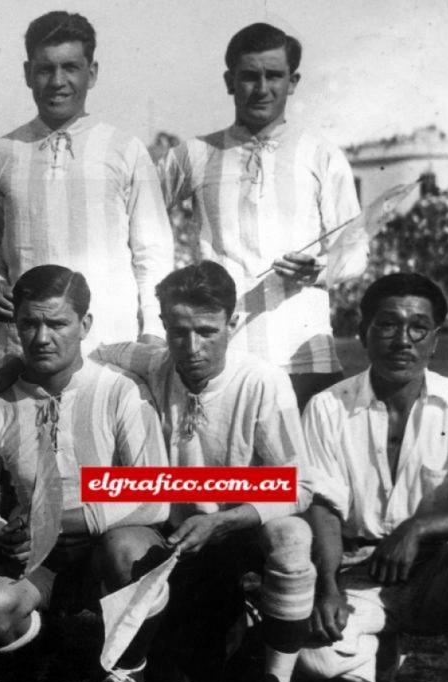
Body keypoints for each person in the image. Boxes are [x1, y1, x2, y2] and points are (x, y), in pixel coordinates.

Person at [89, 262, 316, 682]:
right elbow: (85, 353)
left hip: (234, 533)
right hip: (172, 537)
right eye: (178, 331)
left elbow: (300, 484)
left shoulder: (263, 381)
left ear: (232, 324)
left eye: (207, 332)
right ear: (164, 326)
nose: (191, 348)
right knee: (119, 544)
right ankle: (128, 674)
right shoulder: (155, 361)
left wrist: (224, 518)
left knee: (292, 537)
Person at [0, 265, 169, 682]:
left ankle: (127, 675)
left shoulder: (120, 390)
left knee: (132, 551)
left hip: (105, 547)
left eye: (57, 323)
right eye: (30, 323)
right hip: (41, 558)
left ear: (85, 325)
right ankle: (44, 664)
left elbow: (155, 491)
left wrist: (63, 519)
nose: (42, 337)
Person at [0, 11, 174, 356]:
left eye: (70, 67)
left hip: (109, 344)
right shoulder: (2, 153)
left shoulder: (125, 150)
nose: (57, 81)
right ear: (28, 74)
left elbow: (153, 252)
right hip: (26, 350)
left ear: (92, 72)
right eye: (45, 69)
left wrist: (154, 333)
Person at [158, 23, 364, 409]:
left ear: (293, 81)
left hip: (305, 356)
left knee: (304, 470)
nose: (262, 88)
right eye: (250, 76)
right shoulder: (194, 155)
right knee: (225, 470)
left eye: (274, 76)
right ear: (229, 81)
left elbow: (354, 251)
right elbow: (136, 217)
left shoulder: (321, 154)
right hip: (221, 355)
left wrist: (318, 269)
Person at [299, 274, 448, 682]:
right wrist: (328, 585)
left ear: (435, 340)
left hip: (440, 570)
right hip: (361, 568)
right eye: (388, 324)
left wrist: (418, 527)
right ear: (363, 334)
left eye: (418, 328)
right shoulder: (328, 406)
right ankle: (375, 670)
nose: (402, 340)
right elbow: (323, 504)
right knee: (312, 660)